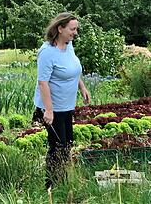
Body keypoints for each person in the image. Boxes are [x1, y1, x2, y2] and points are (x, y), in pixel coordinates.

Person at [33, 12, 91, 189]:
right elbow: (43, 82)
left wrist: (82, 87)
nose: (75, 33)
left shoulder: (68, 45)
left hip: (67, 105)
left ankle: (62, 180)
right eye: (72, 29)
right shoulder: (47, 53)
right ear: (60, 28)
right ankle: (51, 186)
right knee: (58, 146)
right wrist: (48, 110)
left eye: (76, 29)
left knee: (67, 143)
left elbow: (73, 69)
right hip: (52, 107)